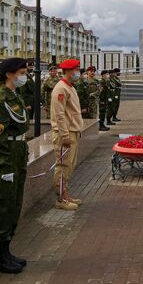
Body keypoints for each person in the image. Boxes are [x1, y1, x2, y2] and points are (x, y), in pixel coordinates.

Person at [0, 57, 29, 273]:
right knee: (3, 206)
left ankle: (6, 252)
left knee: (14, 204)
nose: (25, 75)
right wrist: (3, 169)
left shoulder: (14, 96)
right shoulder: (0, 99)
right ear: (9, 74)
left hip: (17, 154)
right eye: (22, 72)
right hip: (6, 159)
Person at [50, 59, 84, 211]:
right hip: (65, 133)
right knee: (63, 166)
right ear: (69, 71)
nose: (78, 72)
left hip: (73, 131)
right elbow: (59, 115)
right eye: (77, 69)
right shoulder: (60, 88)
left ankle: (65, 194)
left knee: (69, 166)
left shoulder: (70, 87)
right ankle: (61, 199)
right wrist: (64, 135)